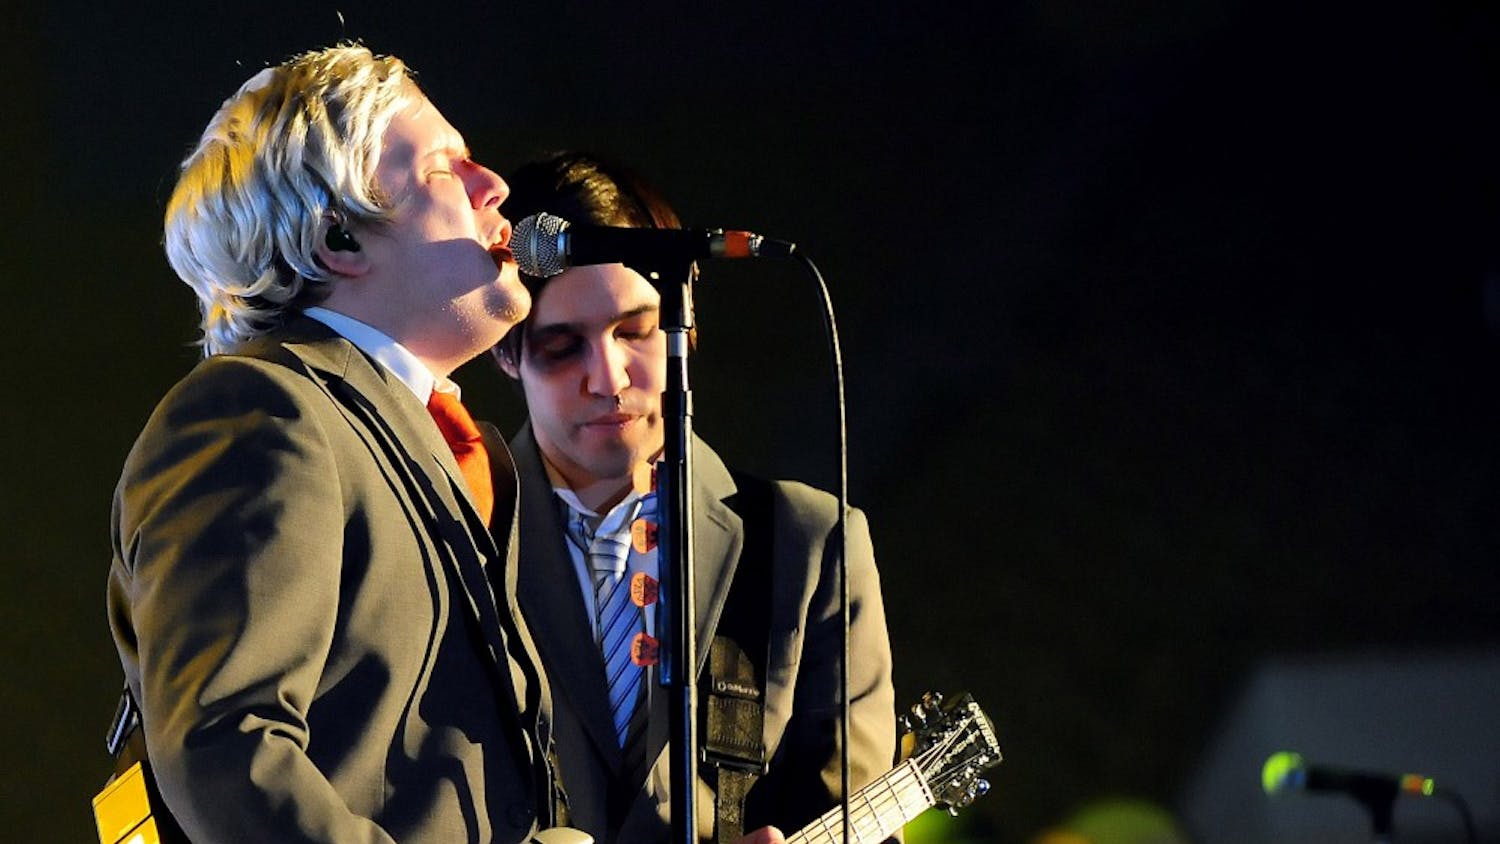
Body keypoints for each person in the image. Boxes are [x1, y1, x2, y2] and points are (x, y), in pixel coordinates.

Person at [105, 44, 550, 842]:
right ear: (338, 238)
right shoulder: (261, 411)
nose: (497, 187)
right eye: (450, 168)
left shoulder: (430, 440)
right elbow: (226, 751)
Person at [492, 152, 898, 843]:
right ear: (505, 353)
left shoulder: (808, 543)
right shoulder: (460, 527)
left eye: (634, 331)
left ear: (685, 321)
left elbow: (852, 812)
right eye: (563, 347)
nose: (609, 376)